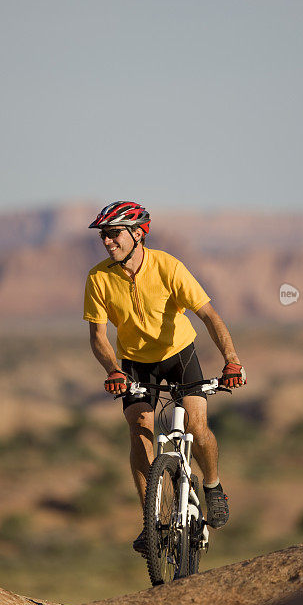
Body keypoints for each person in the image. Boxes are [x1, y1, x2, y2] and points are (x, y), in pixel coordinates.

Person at [83, 201, 246, 556]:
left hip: (179, 355)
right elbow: (98, 337)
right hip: (135, 363)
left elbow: (210, 316)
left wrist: (231, 361)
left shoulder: (167, 266)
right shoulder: (98, 278)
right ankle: (151, 523)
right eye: (104, 236)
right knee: (139, 424)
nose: (107, 242)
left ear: (138, 233)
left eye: (113, 234)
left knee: (197, 425)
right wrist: (113, 370)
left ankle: (213, 486)